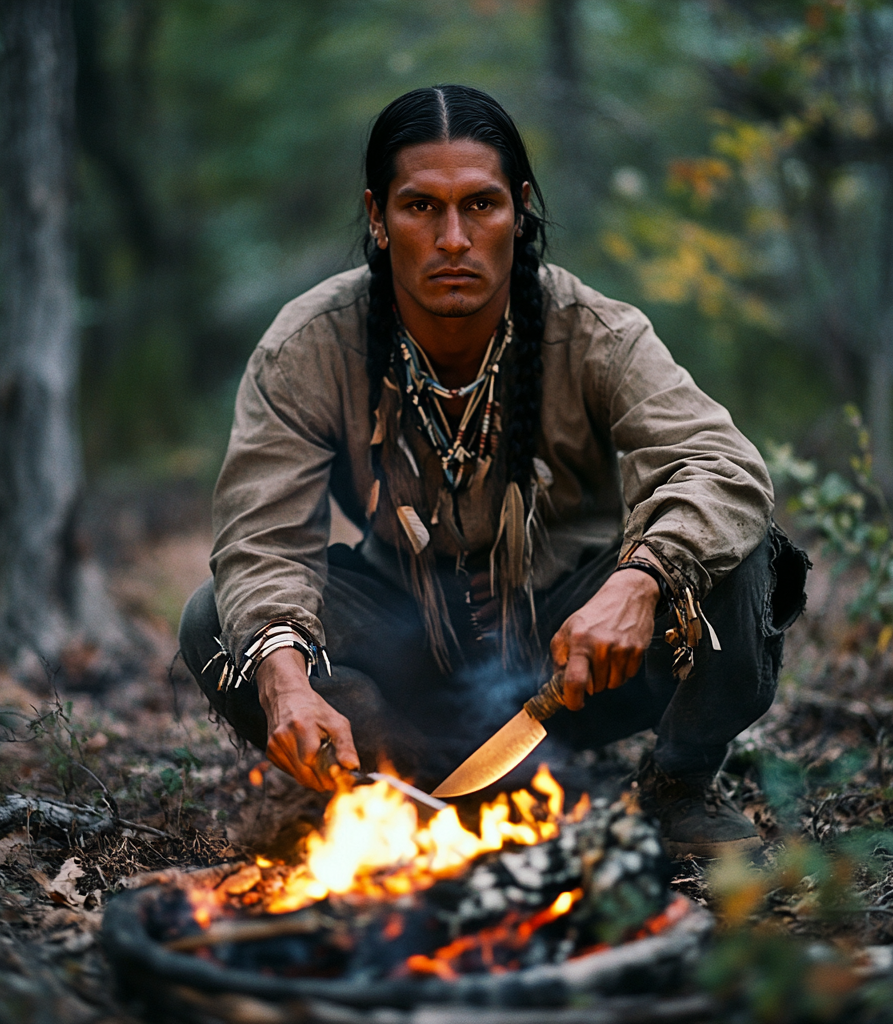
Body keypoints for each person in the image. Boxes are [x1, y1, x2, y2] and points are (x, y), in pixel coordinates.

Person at [179, 85, 808, 859]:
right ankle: (408, 793)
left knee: (738, 551)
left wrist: (641, 577)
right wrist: (281, 674)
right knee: (217, 621)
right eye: (421, 208)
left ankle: (676, 788)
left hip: (568, 659)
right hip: (401, 645)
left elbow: (722, 464)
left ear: (521, 208)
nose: (453, 238)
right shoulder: (310, 345)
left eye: (480, 205)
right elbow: (261, 538)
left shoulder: (592, 331)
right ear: (377, 218)